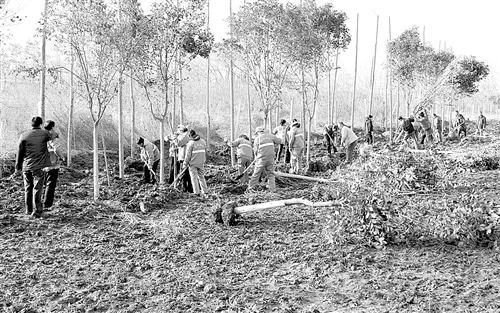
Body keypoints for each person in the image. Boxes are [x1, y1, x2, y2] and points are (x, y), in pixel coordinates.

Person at [14, 116, 53, 218]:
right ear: (40, 124)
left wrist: (18, 166)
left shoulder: (23, 135)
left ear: (31, 124)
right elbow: (54, 135)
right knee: (37, 188)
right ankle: (38, 211)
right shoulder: (45, 133)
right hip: (38, 166)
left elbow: (20, 152)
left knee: (28, 187)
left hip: (26, 166)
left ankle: (28, 210)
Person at [247, 126, 281, 191]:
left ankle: (251, 187)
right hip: (271, 158)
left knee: (256, 173)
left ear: (258, 132)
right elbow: (279, 141)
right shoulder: (271, 136)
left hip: (261, 159)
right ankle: (272, 188)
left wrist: (256, 157)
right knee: (271, 173)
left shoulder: (257, 139)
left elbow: (255, 151)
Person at [183, 130, 208, 196]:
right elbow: (205, 151)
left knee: (194, 178)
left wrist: (185, 163)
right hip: (201, 162)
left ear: (190, 136)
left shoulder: (191, 143)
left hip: (193, 163)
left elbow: (188, 155)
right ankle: (205, 191)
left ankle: (196, 192)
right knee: (201, 177)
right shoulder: (203, 141)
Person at [43, 120, 61, 209]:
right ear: (53, 127)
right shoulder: (54, 136)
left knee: (42, 184)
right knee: (50, 184)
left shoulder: (41, 135)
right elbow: (56, 149)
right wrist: (62, 157)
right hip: (52, 163)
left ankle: (38, 203)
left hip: (42, 163)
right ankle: (47, 204)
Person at [174, 125, 193, 192]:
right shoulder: (184, 136)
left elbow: (178, 143)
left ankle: (186, 188)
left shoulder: (185, 136)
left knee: (185, 173)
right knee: (186, 173)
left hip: (184, 157)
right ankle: (187, 187)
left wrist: (175, 140)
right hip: (184, 157)